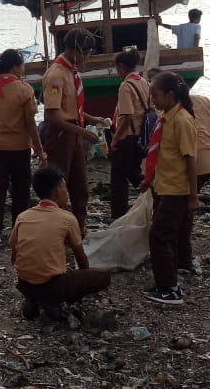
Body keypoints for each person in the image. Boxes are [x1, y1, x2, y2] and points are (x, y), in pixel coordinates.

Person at [10, 166, 110, 321]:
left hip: (24, 284)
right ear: (57, 191)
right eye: (65, 188)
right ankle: (54, 303)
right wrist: (83, 278)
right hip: (53, 287)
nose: (67, 193)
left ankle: (34, 299)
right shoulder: (67, 218)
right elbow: (81, 259)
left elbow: (14, 256)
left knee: (53, 272)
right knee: (103, 277)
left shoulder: (23, 217)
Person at [139, 72, 198, 305]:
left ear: (170, 95)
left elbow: (190, 159)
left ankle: (170, 288)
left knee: (159, 236)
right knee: (168, 235)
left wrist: (193, 196)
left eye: (155, 95)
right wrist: (149, 179)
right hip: (165, 186)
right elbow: (162, 154)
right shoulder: (166, 118)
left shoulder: (182, 120)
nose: (153, 100)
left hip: (177, 190)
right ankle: (168, 280)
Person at [42, 29, 109, 233]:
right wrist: (81, 132)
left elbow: (71, 107)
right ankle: (57, 229)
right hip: (61, 134)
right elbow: (52, 115)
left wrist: (90, 119)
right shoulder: (56, 74)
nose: (87, 57)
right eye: (86, 52)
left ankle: (78, 229)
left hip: (74, 132)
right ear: (75, 49)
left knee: (80, 187)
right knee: (58, 187)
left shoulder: (71, 72)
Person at [0, 49, 42, 245]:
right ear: (16, 66)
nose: (23, 68)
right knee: (21, 189)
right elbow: (30, 123)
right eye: (22, 65)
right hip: (19, 147)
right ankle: (19, 228)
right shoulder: (24, 90)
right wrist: (39, 149)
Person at [108, 49, 149, 219]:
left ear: (121, 67)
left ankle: (119, 215)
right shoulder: (144, 82)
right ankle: (153, 197)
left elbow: (126, 116)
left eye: (116, 68)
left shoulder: (126, 86)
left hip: (127, 137)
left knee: (118, 178)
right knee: (133, 172)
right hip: (140, 137)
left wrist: (115, 140)